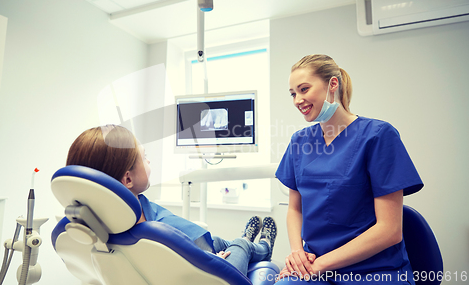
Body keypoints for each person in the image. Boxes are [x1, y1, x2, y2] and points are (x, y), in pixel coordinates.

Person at [275, 54, 423, 284]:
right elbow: (295, 209)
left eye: (304, 89)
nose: (297, 100)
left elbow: (390, 230)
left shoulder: (378, 136)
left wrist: (319, 266)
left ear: (333, 84)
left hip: (374, 270)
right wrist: (297, 255)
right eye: (293, 93)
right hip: (314, 265)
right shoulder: (299, 141)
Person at [65, 124, 277, 277]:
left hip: (194, 250)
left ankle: (244, 242)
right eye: (144, 156)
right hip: (208, 274)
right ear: (127, 178)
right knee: (240, 245)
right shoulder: (153, 235)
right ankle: (261, 246)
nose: (149, 161)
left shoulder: (92, 228)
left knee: (220, 241)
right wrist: (214, 263)